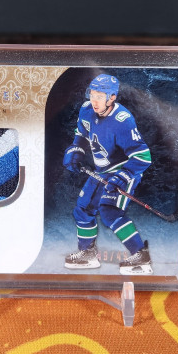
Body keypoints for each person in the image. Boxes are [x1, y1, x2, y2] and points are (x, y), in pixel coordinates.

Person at [63, 74, 153, 275]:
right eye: (92, 95)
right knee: (83, 209)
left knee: (109, 210)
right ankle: (87, 254)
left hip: (123, 170)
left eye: (100, 96)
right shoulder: (86, 110)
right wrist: (76, 150)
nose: (94, 101)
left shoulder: (123, 121)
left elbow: (143, 156)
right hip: (101, 171)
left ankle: (141, 256)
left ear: (112, 97)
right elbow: (81, 134)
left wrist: (123, 176)